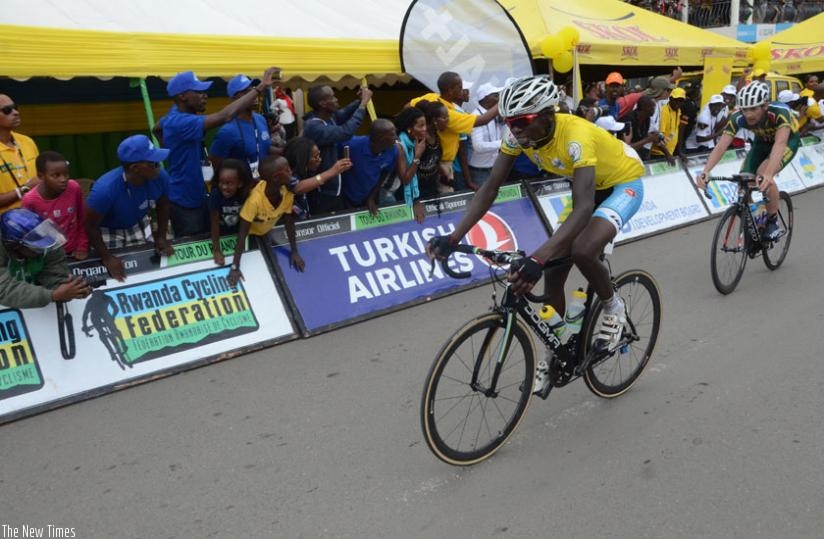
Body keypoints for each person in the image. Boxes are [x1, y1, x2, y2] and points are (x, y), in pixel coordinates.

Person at [427, 76, 646, 393]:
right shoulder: (518, 137)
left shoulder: (576, 136)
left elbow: (584, 208)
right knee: (554, 273)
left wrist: (537, 257)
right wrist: (453, 237)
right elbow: (489, 188)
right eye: (509, 122)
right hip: (586, 187)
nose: (514, 130)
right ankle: (557, 348)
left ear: (547, 115)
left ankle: (613, 308)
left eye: (523, 122)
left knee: (583, 249)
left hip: (622, 183)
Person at [155, 67, 281, 237]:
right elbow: (226, 115)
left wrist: (170, 149)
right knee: (197, 246)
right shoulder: (181, 122)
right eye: (199, 92)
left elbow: (156, 128)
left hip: (199, 194)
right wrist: (260, 88)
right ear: (182, 96)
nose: (205, 95)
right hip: (186, 201)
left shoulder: (174, 117)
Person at [697, 82, 800, 241]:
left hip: (787, 142)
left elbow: (779, 144)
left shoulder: (780, 112)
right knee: (744, 181)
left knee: (763, 174)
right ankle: (758, 215)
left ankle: (773, 221)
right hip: (761, 142)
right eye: (745, 109)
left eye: (753, 109)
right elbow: (721, 145)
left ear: (764, 105)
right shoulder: (737, 117)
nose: (749, 114)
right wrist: (705, 171)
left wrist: (768, 174)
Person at [84, 135, 175, 282]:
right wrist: (106, 257)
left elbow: (163, 205)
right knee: (117, 276)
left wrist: (161, 237)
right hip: (108, 229)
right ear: (135, 168)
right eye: (154, 162)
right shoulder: (104, 191)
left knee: (147, 267)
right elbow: (89, 225)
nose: (159, 165)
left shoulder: (160, 177)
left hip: (138, 223)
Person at [409, 72, 499, 187]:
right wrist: (502, 103)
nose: (463, 90)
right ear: (450, 90)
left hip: (434, 160)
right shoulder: (450, 115)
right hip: (441, 163)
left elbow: (408, 106)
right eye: (460, 87)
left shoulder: (431, 97)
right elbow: (483, 120)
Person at [227, 156, 303, 288]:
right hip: (249, 236)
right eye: (287, 170)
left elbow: (289, 223)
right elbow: (242, 235)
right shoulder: (254, 201)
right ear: (275, 178)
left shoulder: (287, 192)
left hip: (266, 231)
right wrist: (235, 267)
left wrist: (295, 252)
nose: (291, 172)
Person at [302, 84, 373, 214]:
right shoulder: (314, 127)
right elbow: (346, 132)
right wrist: (363, 104)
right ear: (323, 103)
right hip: (322, 190)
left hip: (334, 186)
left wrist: (358, 100)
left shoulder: (329, 118)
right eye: (333, 97)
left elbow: (343, 113)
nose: (336, 99)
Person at [0, 208, 91, 309]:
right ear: (15, 245)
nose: (42, 249)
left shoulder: (49, 243)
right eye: (35, 247)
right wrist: (52, 295)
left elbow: (54, 275)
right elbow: (4, 290)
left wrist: (74, 290)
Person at [22, 151, 89, 260]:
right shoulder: (30, 200)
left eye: (66, 174)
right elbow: (29, 237)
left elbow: (82, 218)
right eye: (55, 175)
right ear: (41, 176)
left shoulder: (74, 188)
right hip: (48, 257)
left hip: (75, 252)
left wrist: (82, 246)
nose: (63, 179)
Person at [209, 74, 273, 177]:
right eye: (247, 92)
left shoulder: (260, 119)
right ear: (234, 99)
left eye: (254, 89)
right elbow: (214, 165)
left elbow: (264, 148)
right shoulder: (227, 131)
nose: (254, 93)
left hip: (262, 188)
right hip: (242, 190)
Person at [283, 136, 352, 221]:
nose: (319, 159)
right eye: (315, 157)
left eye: (319, 155)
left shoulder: (306, 172)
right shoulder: (287, 173)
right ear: (303, 159)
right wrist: (333, 171)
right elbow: (297, 188)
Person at [340, 119, 400, 215]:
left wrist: (371, 198)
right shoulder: (353, 144)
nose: (396, 137)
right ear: (380, 137)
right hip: (344, 198)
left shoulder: (393, 150)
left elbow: (384, 173)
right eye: (392, 135)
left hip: (368, 197)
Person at [208, 159, 255, 266]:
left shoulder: (247, 195)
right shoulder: (215, 194)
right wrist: (217, 251)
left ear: (240, 183)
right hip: (220, 232)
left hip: (238, 234)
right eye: (221, 182)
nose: (224, 187)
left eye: (229, 183)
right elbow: (214, 224)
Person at [0, 94, 38, 213]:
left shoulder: (27, 141)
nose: (16, 112)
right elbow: (32, 184)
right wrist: (24, 189)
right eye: (7, 110)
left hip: (35, 220)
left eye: (15, 107)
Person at [393, 106, 428, 223]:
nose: (425, 129)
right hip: (389, 193)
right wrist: (417, 156)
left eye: (425, 125)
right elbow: (406, 179)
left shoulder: (414, 141)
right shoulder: (399, 145)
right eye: (420, 126)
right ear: (409, 128)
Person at [469, 83, 504, 188]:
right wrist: (503, 143)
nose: (499, 98)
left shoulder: (494, 114)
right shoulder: (476, 116)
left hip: (495, 167)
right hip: (481, 171)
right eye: (495, 95)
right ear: (486, 99)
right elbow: (478, 146)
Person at [650, 86, 686, 164]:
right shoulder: (664, 111)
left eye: (681, 101)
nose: (678, 103)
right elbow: (658, 136)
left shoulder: (678, 111)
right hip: (659, 153)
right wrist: (668, 154)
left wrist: (679, 151)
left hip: (670, 152)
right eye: (676, 100)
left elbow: (675, 131)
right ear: (671, 99)